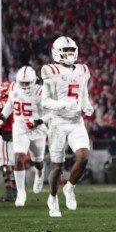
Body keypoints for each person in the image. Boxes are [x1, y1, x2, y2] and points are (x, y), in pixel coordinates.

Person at [41, 36, 94, 218]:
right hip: (58, 122)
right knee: (57, 167)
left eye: (72, 51)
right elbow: (45, 101)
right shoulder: (50, 70)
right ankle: (53, 197)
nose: (70, 54)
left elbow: (84, 94)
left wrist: (87, 105)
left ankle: (69, 187)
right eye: (66, 51)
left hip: (76, 121)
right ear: (57, 52)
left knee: (84, 156)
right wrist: (62, 104)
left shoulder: (83, 70)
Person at [0, 66, 47, 207]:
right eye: (22, 83)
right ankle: (20, 192)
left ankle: (40, 173)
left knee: (38, 161)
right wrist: (2, 118)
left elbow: (50, 114)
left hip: (37, 131)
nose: (24, 86)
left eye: (26, 83)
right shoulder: (13, 87)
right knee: (18, 158)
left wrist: (37, 121)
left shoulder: (41, 91)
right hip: (20, 129)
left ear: (34, 80)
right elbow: (9, 104)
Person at [0, 81, 16, 203]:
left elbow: (3, 119)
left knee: (5, 163)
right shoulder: (16, 99)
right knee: (11, 163)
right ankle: (15, 190)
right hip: (15, 134)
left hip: (6, 134)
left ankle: (9, 191)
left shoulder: (4, 101)